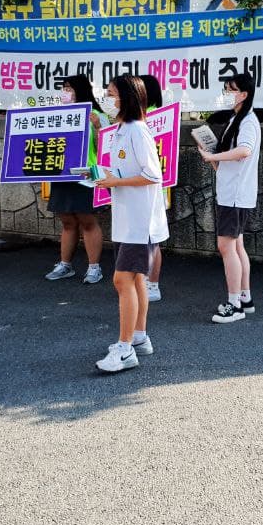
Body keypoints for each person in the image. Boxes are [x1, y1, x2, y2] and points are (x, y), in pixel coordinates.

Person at [93, 74, 168, 373]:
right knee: (135, 280)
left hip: (140, 222)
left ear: (127, 98)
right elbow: (125, 170)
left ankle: (125, 350)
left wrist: (115, 181)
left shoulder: (137, 130)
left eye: (111, 94)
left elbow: (153, 175)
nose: (107, 99)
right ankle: (138, 338)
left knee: (122, 280)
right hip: (127, 220)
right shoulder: (121, 129)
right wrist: (104, 177)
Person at [199, 73, 261, 323]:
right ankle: (244, 298)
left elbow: (244, 150)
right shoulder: (238, 118)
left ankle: (234, 304)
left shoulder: (248, 121)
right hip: (233, 192)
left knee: (226, 247)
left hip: (235, 195)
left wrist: (213, 157)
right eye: (225, 89)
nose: (226, 94)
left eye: (230, 90)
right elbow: (234, 157)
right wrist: (213, 158)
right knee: (236, 246)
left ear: (244, 94)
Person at [44, 74, 109, 284]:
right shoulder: (59, 114)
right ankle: (65, 264)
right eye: (63, 88)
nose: (65, 92)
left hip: (86, 175)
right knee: (67, 220)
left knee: (87, 220)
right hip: (62, 173)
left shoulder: (97, 115)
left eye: (69, 88)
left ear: (80, 90)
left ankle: (94, 267)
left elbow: (106, 148)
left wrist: (98, 127)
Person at [140, 73, 166, 303]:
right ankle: (144, 282)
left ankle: (153, 284)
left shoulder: (158, 116)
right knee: (144, 239)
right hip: (137, 187)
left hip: (152, 187)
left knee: (152, 239)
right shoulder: (136, 118)